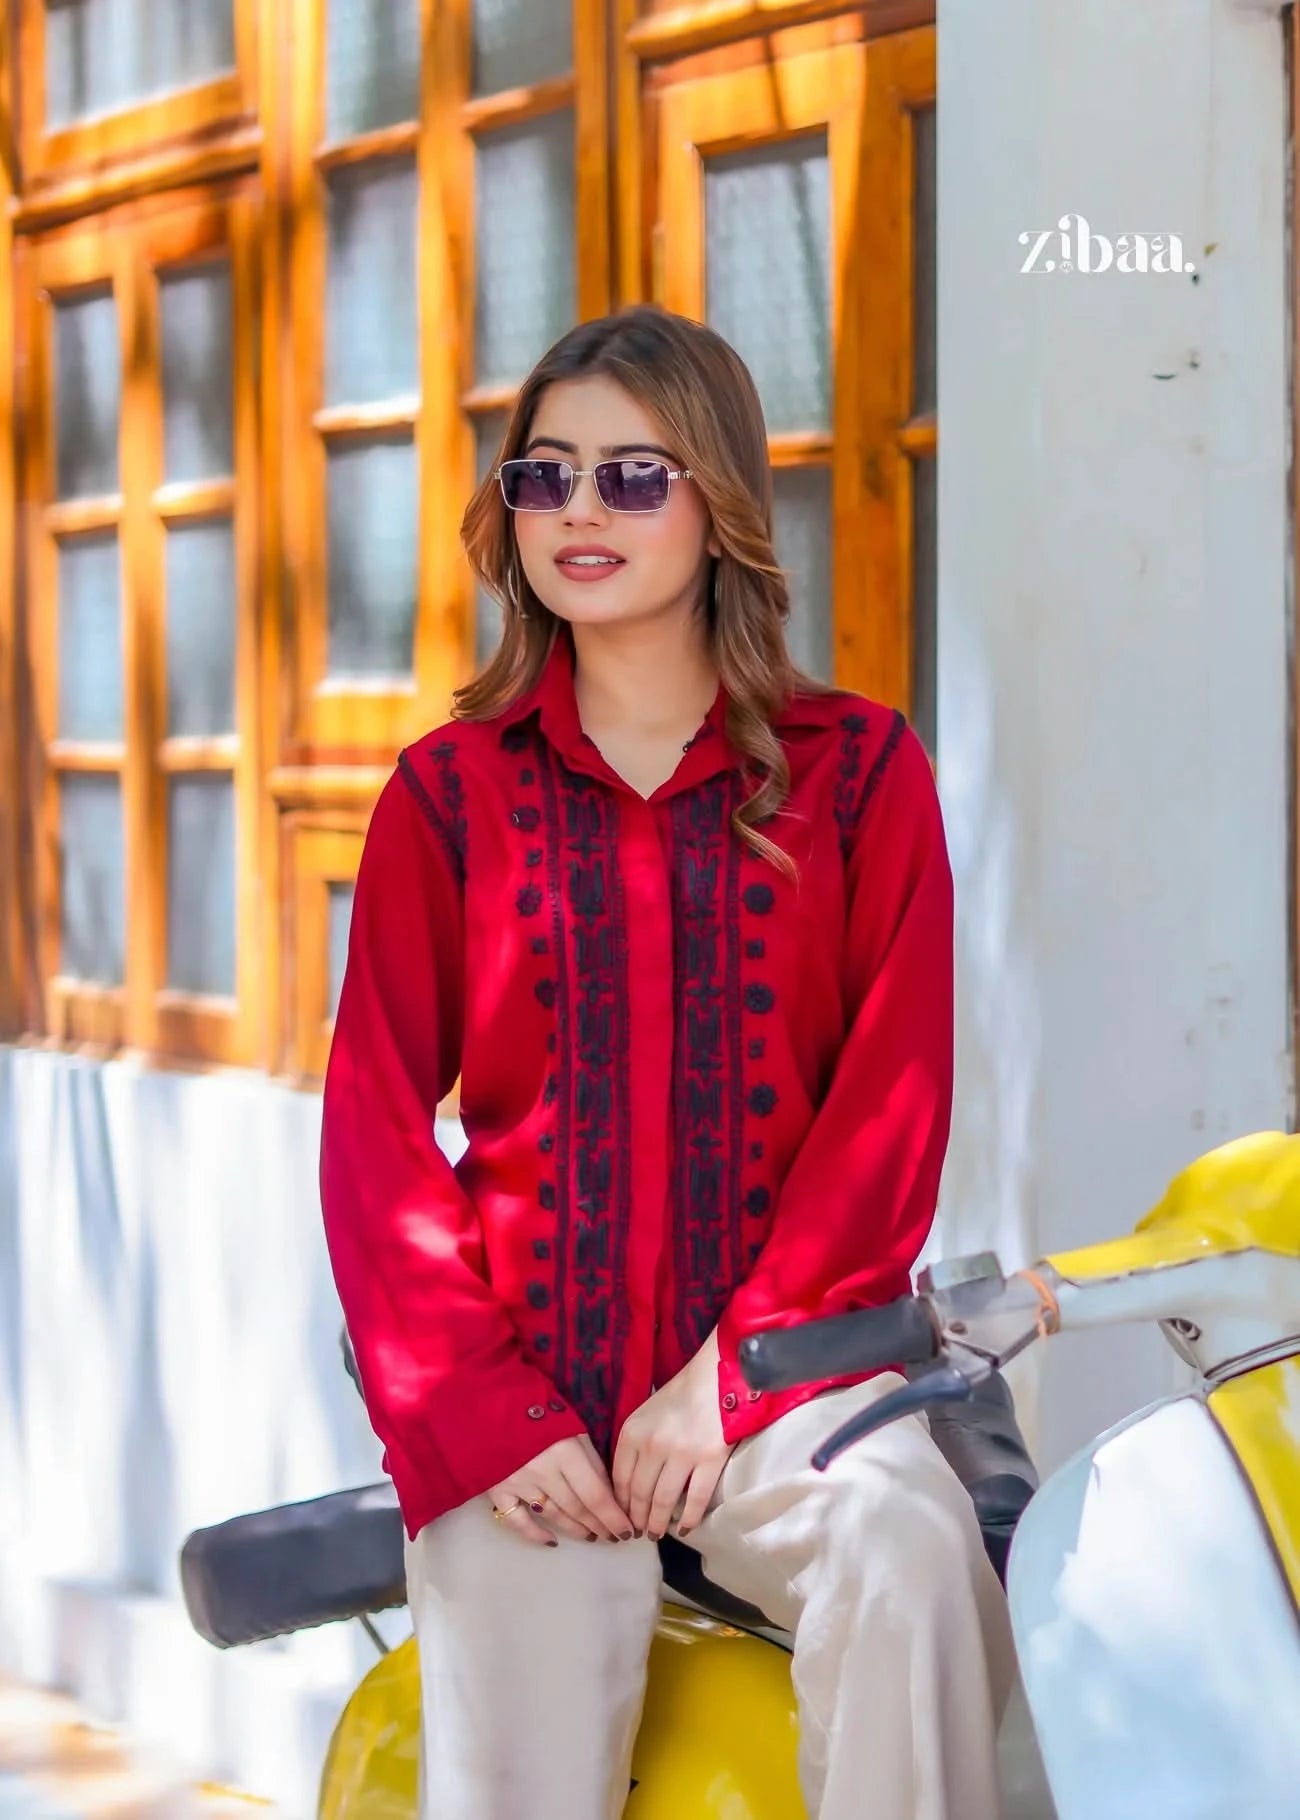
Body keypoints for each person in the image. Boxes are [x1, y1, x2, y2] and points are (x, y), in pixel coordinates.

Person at [320, 305, 1015, 1820]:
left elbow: (888, 1115)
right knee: (521, 1729)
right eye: (546, 476)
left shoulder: (859, 774)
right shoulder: (447, 797)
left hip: (787, 1386)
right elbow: (373, 1134)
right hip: (532, 1396)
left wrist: (731, 1379)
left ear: (719, 502)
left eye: (634, 475)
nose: (582, 509)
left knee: (911, 1557)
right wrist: (483, 1416)